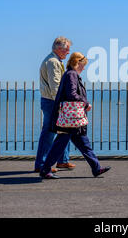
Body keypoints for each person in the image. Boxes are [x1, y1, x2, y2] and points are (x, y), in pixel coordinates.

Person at [40, 52, 111, 179]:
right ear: (77, 62)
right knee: (61, 144)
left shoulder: (70, 74)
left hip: (73, 120)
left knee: (83, 144)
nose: (84, 68)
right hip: (72, 119)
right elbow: (71, 94)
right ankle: (45, 170)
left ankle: (96, 168)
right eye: (83, 65)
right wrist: (85, 103)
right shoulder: (72, 74)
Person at [34, 37, 76, 173]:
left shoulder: (55, 60)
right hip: (52, 101)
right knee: (49, 132)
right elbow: (55, 86)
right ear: (59, 48)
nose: (68, 52)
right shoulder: (53, 62)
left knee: (64, 130)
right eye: (67, 49)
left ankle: (62, 160)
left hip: (52, 100)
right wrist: (61, 104)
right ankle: (41, 164)